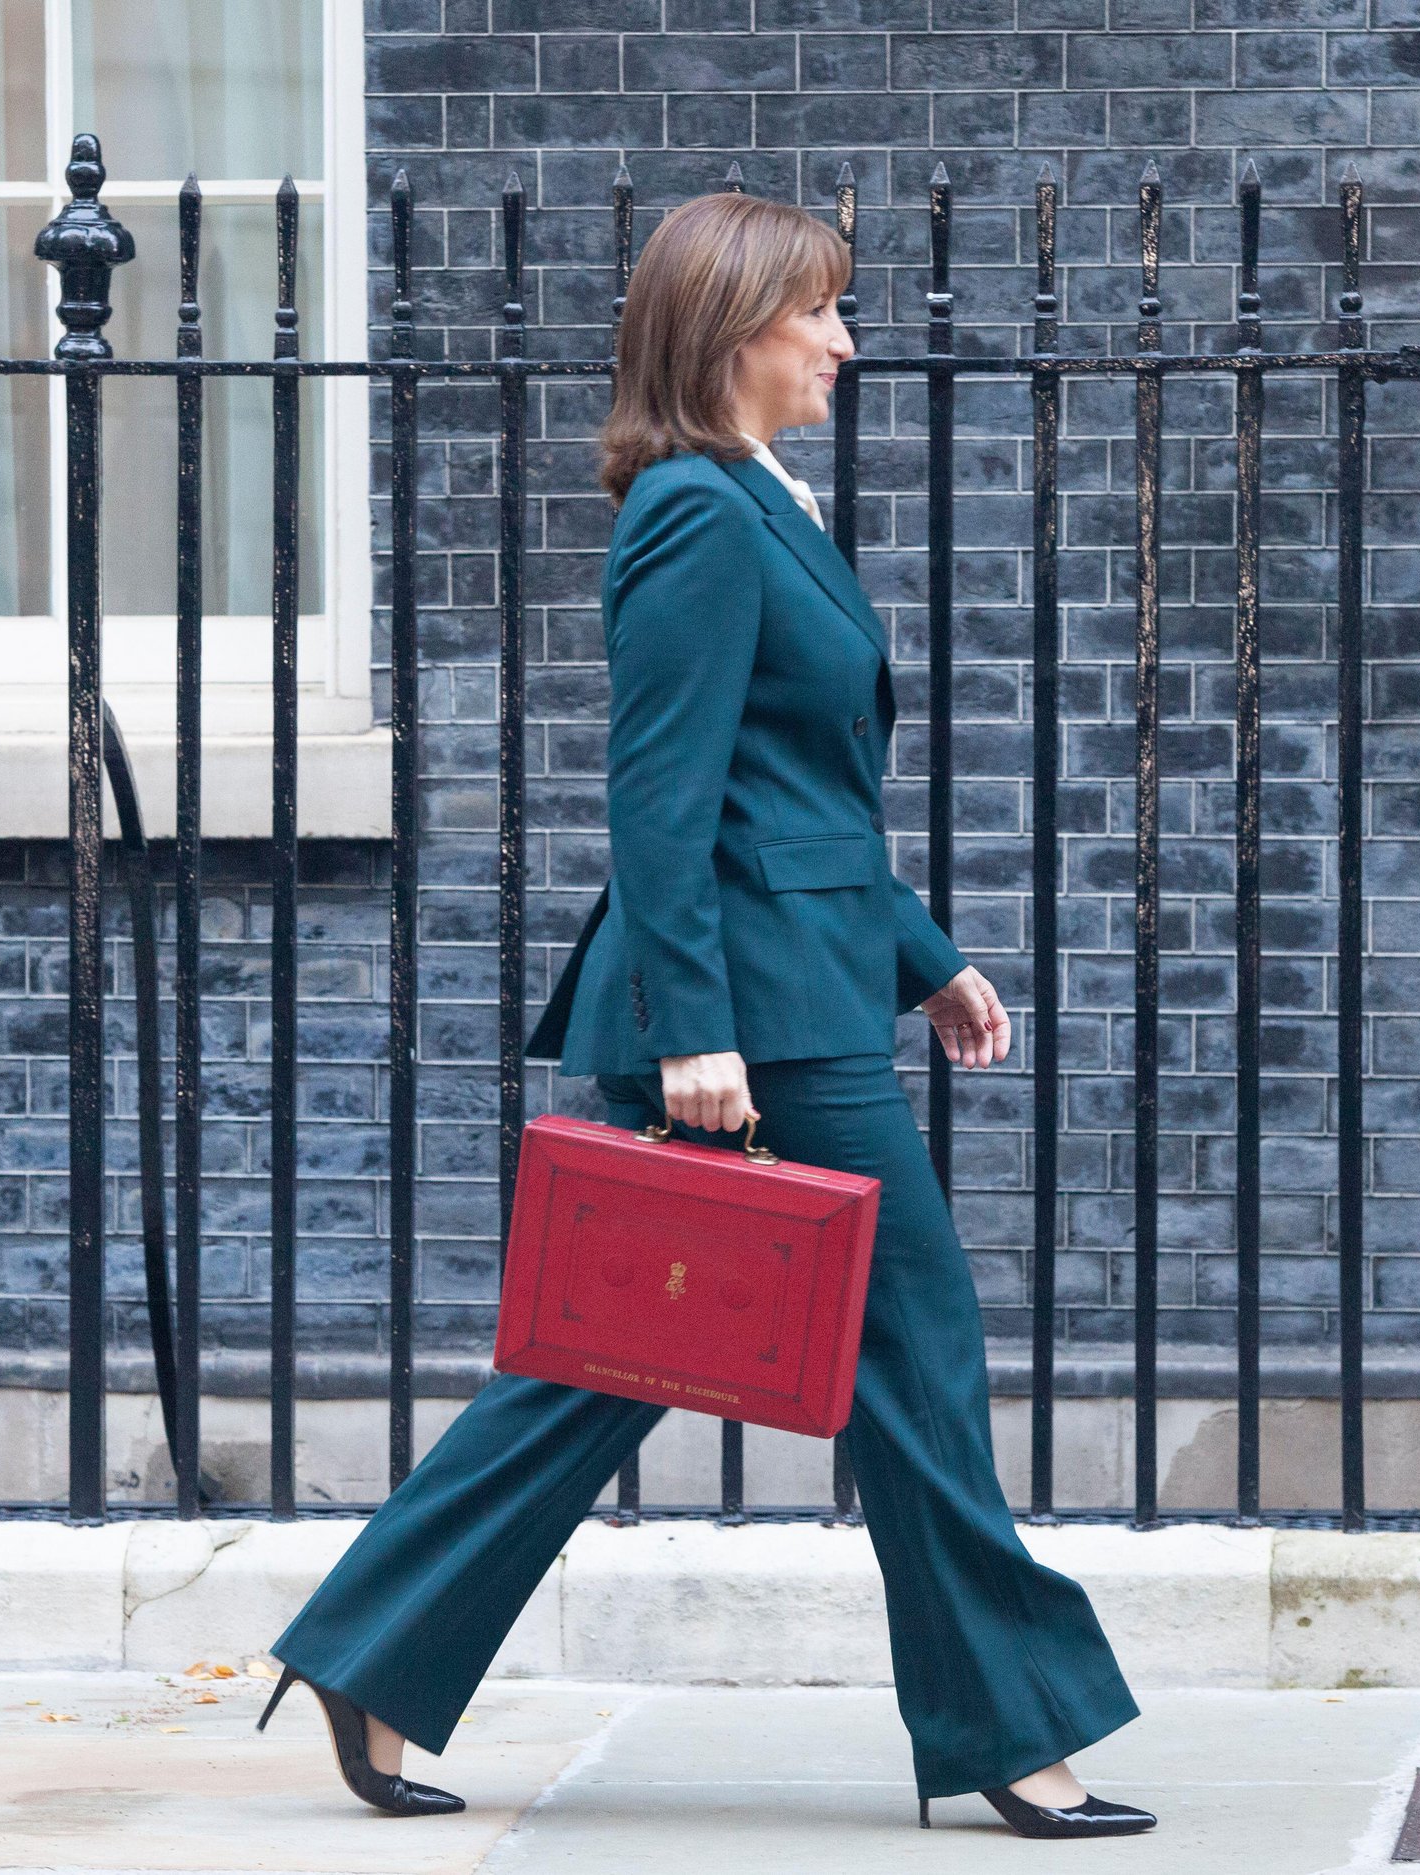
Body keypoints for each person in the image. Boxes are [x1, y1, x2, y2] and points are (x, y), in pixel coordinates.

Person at [259, 188, 1152, 1842]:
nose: (844, 341)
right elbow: (661, 795)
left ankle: (369, 1651)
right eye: (821, 311)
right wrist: (692, 1028)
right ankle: (1015, 1735)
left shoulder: (760, 499)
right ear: (738, 324)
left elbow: (790, 792)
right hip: (751, 1016)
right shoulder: (691, 509)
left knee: (613, 1353)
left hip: (805, 981)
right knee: (913, 1351)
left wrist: (923, 954)